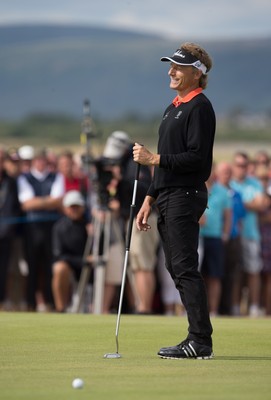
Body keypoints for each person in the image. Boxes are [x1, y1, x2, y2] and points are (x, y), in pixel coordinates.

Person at [133, 42, 215, 359]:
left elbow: (197, 160)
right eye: (171, 66)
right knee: (175, 266)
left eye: (178, 67)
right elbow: (164, 163)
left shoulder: (199, 107)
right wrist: (149, 198)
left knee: (184, 268)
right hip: (168, 195)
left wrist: (154, 159)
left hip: (186, 195)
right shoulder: (173, 107)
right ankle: (195, 337)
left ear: (197, 73)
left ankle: (200, 340)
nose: (171, 71)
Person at [17, 148, 65, 311]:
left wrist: (38, 202)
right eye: (37, 160)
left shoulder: (56, 176)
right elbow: (26, 203)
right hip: (32, 228)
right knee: (32, 266)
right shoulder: (25, 178)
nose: (40, 163)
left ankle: (50, 302)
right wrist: (48, 202)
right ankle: (31, 302)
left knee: (49, 265)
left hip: (51, 228)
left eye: (42, 160)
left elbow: (58, 200)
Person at [230, 151, 270, 316]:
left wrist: (238, 203)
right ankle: (235, 307)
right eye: (239, 165)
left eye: (245, 165)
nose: (242, 169)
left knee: (253, 271)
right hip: (233, 234)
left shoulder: (254, 184)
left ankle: (254, 307)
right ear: (234, 166)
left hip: (251, 234)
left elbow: (261, 205)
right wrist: (249, 203)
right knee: (236, 273)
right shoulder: (229, 183)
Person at [200, 163, 232, 317]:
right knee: (197, 275)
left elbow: (228, 215)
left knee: (214, 275)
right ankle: (198, 311)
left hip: (215, 237)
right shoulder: (196, 188)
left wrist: (225, 234)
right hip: (197, 236)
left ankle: (213, 310)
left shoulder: (222, 191)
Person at [51, 190, 90, 312]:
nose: (74, 210)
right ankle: (60, 308)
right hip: (71, 264)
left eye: (77, 207)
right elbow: (58, 255)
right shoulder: (59, 227)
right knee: (59, 268)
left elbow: (100, 249)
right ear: (65, 209)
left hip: (89, 267)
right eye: (71, 207)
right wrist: (82, 260)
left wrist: (95, 235)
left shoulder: (90, 225)